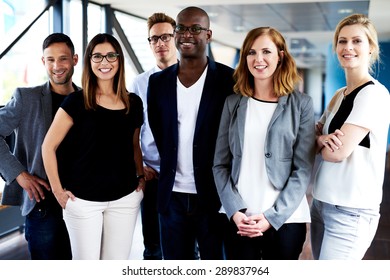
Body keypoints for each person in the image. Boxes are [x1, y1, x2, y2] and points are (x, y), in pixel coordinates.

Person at [213, 27, 315, 260]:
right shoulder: (233, 103)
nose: (258, 59)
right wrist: (235, 211)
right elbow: (220, 164)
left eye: (266, 51)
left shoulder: (301, 105)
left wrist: (272, 217)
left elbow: (303, 170)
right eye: (251, 52)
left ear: (280, 55)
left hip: (285, 220)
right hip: (240, 219)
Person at [41, 33, 145, 260]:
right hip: (83, 201)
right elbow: (48, 147)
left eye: (110, 55)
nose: (104, 62)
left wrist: (141, 177)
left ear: (119, 59)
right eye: (97, 56)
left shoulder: (134, 103)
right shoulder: (76, 102)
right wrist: (58, 191)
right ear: (88, 61)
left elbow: (134, 145)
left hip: (125, 199)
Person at [147, 6, 235, 260]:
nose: (187, 34)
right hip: (171, 196)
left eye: (195, 29)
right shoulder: (159, 83)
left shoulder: (229, 80)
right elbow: (159, 130)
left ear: (208, 34)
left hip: (213, 196)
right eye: (181, 28)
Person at [310, 13, 390, 260]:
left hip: (351, 212)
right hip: (320, 204)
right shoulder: (338, 95)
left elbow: (336, 153)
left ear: (371, 48)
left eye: (357, 41)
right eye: (342, 41)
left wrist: (318, 143)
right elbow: (312, 135)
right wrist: (320, 140)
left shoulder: (374, 94)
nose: (348, 47)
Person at [0, 33, 78, 260]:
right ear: (43, 62)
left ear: (74, 59)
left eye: (63, 59)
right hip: (43, 207)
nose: (57, 66)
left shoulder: (87, 99)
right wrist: (19, 174)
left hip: (82, 205)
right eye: (50, 60)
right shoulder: (27, 98)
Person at [128, 12, 177, 260]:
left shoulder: (192, 79)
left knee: (188, 246)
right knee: (154, 247)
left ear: (176, 37)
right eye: (154, 38)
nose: (160, 43)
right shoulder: (139, 83)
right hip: (154, 175)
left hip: (185, 177)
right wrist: (141, 167)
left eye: (166, 36)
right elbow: (131, 131)